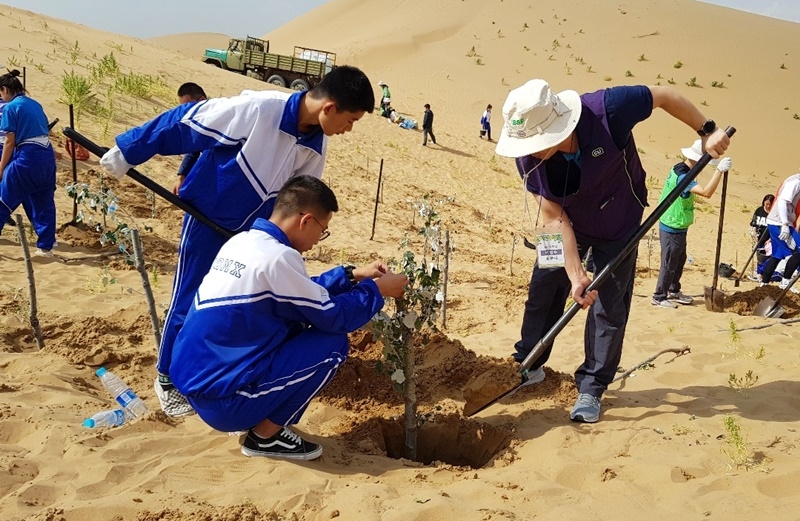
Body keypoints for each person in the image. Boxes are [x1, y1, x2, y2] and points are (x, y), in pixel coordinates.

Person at [100, 65, 375, 418]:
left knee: (239, 305)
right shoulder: (262, 109)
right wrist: (130, 149)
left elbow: (299, 200)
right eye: (350, 120)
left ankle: (217, 376)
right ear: (329, 108)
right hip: (209, 221)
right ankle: (168, 379)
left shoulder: (315, 146)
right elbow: (189, 122)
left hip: (254, 239)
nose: (348, 130)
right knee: (190, 296)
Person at [495, 78, 729, 423]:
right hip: (558, 220)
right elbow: (552, 217)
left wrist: (706, 130)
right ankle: (528, 363)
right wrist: (576, 276)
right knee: (543, 286)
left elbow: (663, 95)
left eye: (536, 142)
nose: (530, 149)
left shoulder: (609, 109)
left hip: (617, 219)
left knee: (608, 303)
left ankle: (592, 386)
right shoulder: (527, 159)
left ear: (560, 127)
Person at [170, 175, 408, 460]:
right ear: (306, 221)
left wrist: (352, 275)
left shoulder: (244, 242)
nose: (318, 241)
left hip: (198, 388)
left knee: (297, 326)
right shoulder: (279, 258)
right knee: (331, 344)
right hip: (225, 404)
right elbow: (334, 317)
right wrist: (377, 290)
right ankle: (265, 438)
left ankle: (259, 421)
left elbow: (300, 291)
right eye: (323, 231)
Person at [651, 140, 732, 308]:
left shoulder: (680, 168)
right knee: (669, 262)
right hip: (671, 225)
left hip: (679, 224)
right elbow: (706, 192)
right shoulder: (684, 177)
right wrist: (719, 171)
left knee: (679, 260)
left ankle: (673, 290)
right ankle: (659, 296)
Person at [0, 69, 57, 256]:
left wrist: (1, 168)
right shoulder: (35, 104)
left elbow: (9, 141)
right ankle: (46, 248)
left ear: (4, 90)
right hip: (47, 157)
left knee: (3, 200)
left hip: (27, 157)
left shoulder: (11, 107)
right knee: (44, 203)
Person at [760, 173, 800, 290]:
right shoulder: (796, 182)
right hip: (779, 222)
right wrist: (785, 225)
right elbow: (782, 201)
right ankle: (785, 281)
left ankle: (764, 284)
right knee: (798, 251)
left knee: (777, 255)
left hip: (780, 222)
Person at [173, 82, 207, 196]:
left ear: (202, 100)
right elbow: (194, 149)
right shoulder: (198, 120)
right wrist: (181, 176)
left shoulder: (218, 115)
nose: (188, 112)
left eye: (189, 106)